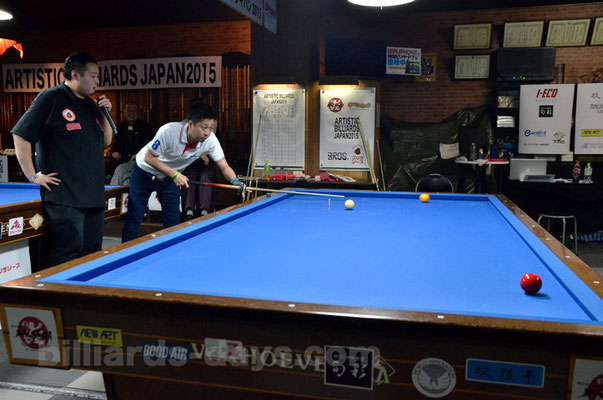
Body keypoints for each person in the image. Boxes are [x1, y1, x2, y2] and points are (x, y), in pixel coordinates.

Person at [11, 52, 114, 266]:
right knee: (68, 253)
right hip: (65, 196)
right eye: (93, 75)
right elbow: (20, 134)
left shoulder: (91, 104)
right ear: (75, 74)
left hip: (93, 195)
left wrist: (104, 113)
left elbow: (105, 141)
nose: (97, 81)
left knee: (92, 252)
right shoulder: (51, 98)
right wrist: (32, 175)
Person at [121, 99, 245, 242]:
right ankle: (124, 252)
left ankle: (171, 252)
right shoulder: (169, 131)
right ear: (191, 124)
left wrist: (235, 181)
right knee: (135, 215)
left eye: (211, 128)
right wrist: (174, 174)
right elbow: (149, 158)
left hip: (170, 178)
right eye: (204, 127)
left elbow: (224, 166)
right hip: (144, 171)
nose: (208, 132)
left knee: (173, 223)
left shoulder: (210, 140)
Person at [109, 101, 154, 186]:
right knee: (126, 180)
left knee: (120, 169)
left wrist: (139, 154)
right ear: (124, 113)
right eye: (128, 111)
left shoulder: (146, 128)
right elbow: (115, 145)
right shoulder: (120, 127)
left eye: (134, 111)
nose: (131, 113)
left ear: (139, 113)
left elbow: (150, 146)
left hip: (139, 161)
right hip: (123, 160)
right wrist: (114, 152)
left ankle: (110, 192)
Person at [181, 154, 217, 219]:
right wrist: (199, 155)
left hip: (208, 164)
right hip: (191, 162)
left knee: (204, 178)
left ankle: (205, 210)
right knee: (189, 178)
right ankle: (188, 209)